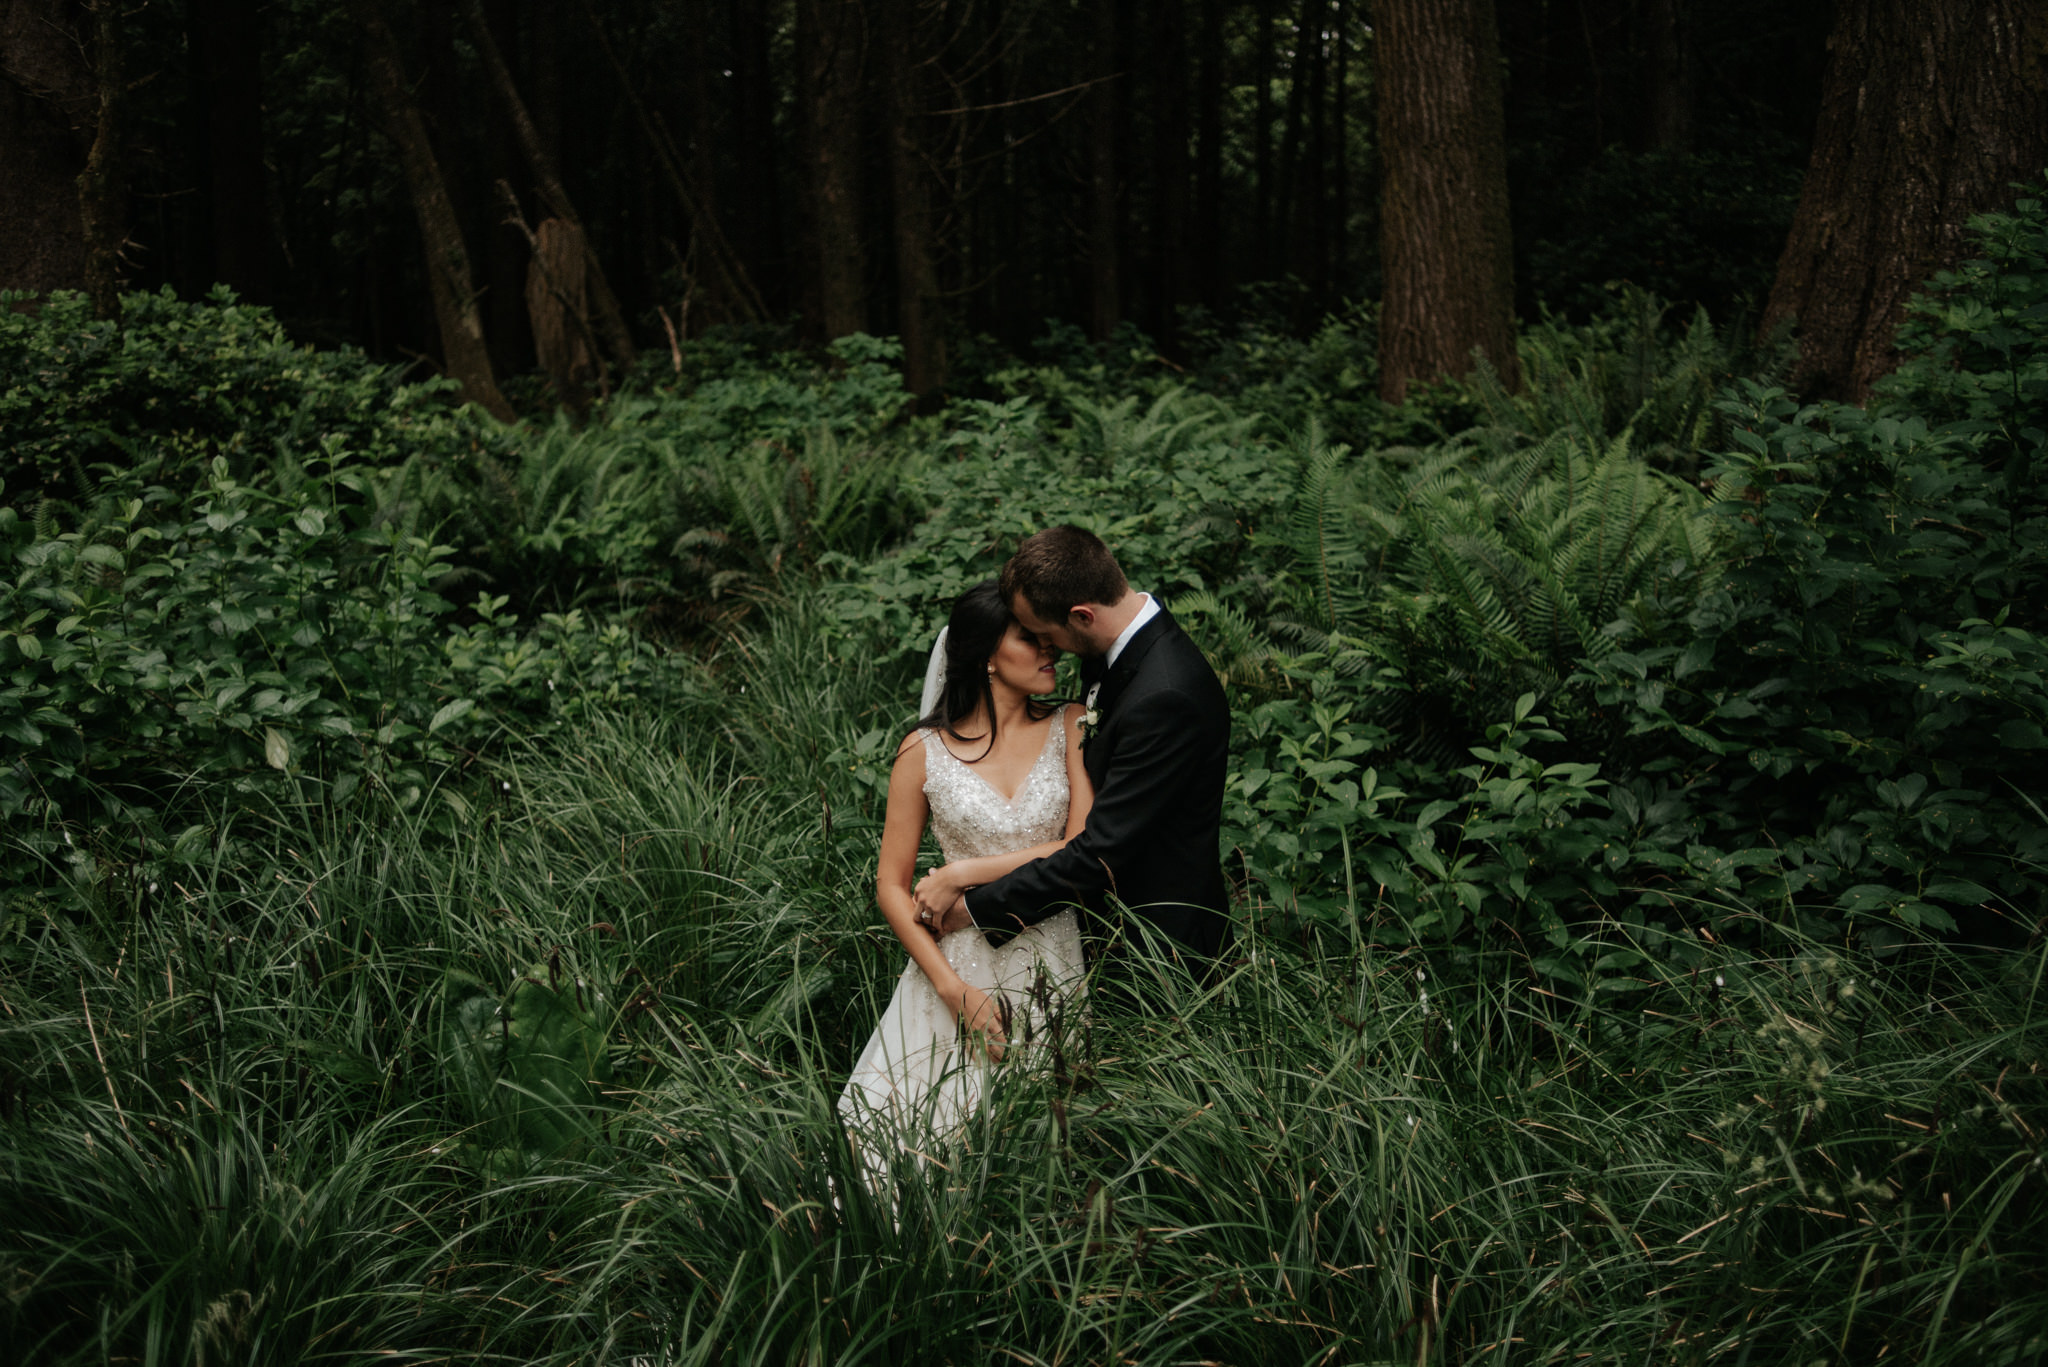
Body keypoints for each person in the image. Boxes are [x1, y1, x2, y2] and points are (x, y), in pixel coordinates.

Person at [837, 579, 1095, 1166]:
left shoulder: (1073, 725)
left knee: (1040, 1144)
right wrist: (952, 989)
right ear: (986, 657)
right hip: (956, 968)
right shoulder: (922, 751)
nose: (1050, 648)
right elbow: (890, 885)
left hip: (1049, 958)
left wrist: (966, 871)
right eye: (1029, 639)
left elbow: (1080, 844)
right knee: (919, 1143)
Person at [922, 525, 1231, 991]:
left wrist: (972, 905)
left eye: (1046, 634)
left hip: (1159, 950)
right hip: (1092, 941)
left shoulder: (1166, 694)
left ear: (1082, 616)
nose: (1050, 650)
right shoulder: (1120, 655)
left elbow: (1100, 852)